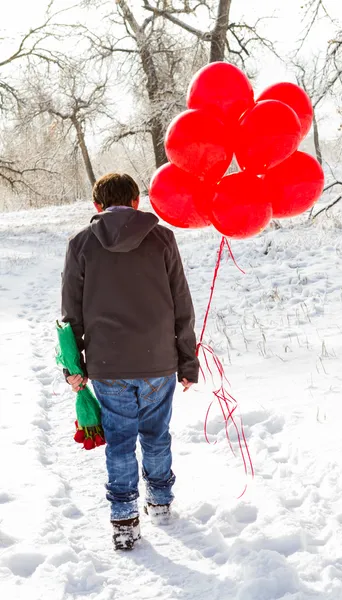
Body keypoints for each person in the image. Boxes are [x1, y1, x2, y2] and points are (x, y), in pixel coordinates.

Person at [61, 172, 199, 551]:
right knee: (156, 434)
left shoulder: (81, 244)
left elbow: (70, 314)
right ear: (137, 202)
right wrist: (188, 362)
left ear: (97, 206)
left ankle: (124, 518)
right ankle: (160, 501)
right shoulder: (162, 238)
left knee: (119, 441)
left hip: (108, 365)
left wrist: (74, 368)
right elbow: (181, 304)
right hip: (159, 361)